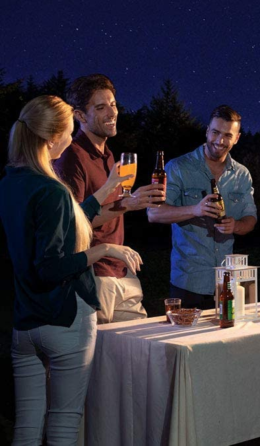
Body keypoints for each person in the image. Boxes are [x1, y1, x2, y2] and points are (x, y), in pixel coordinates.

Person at [0, 96, 142, 445]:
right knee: (64, 424)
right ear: (51, 139)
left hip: (24, 322)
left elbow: (65, 220)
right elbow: (51, 267)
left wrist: (107, 189)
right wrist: (104, 250)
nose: (71, 137)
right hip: (64, 318)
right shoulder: (51, 189)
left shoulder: (11, 183)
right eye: (67, 131)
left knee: (27, 427)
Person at [54, 74, 165, 323]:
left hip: (122, 268)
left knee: (138, 347)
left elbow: (112, 207)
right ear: (80, 116)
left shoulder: (110, 155)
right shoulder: (72, 156)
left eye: (113, 105)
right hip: (93, 274)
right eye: (101, 107)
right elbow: (74, 223)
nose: (112, 112)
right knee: (96, 356)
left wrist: (132, 202)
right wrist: (127, 204)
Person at [147, 105, 257, 309]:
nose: (220, 141)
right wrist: (195, 210)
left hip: (227, 283)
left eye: (227, 135)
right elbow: (154, 214)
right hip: (188, 281)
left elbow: (250, 220)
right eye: (215, 132)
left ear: (237, 138)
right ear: (207, 131)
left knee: (227, 339)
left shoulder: (242, 175)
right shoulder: (178, 167)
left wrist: (236, 226)